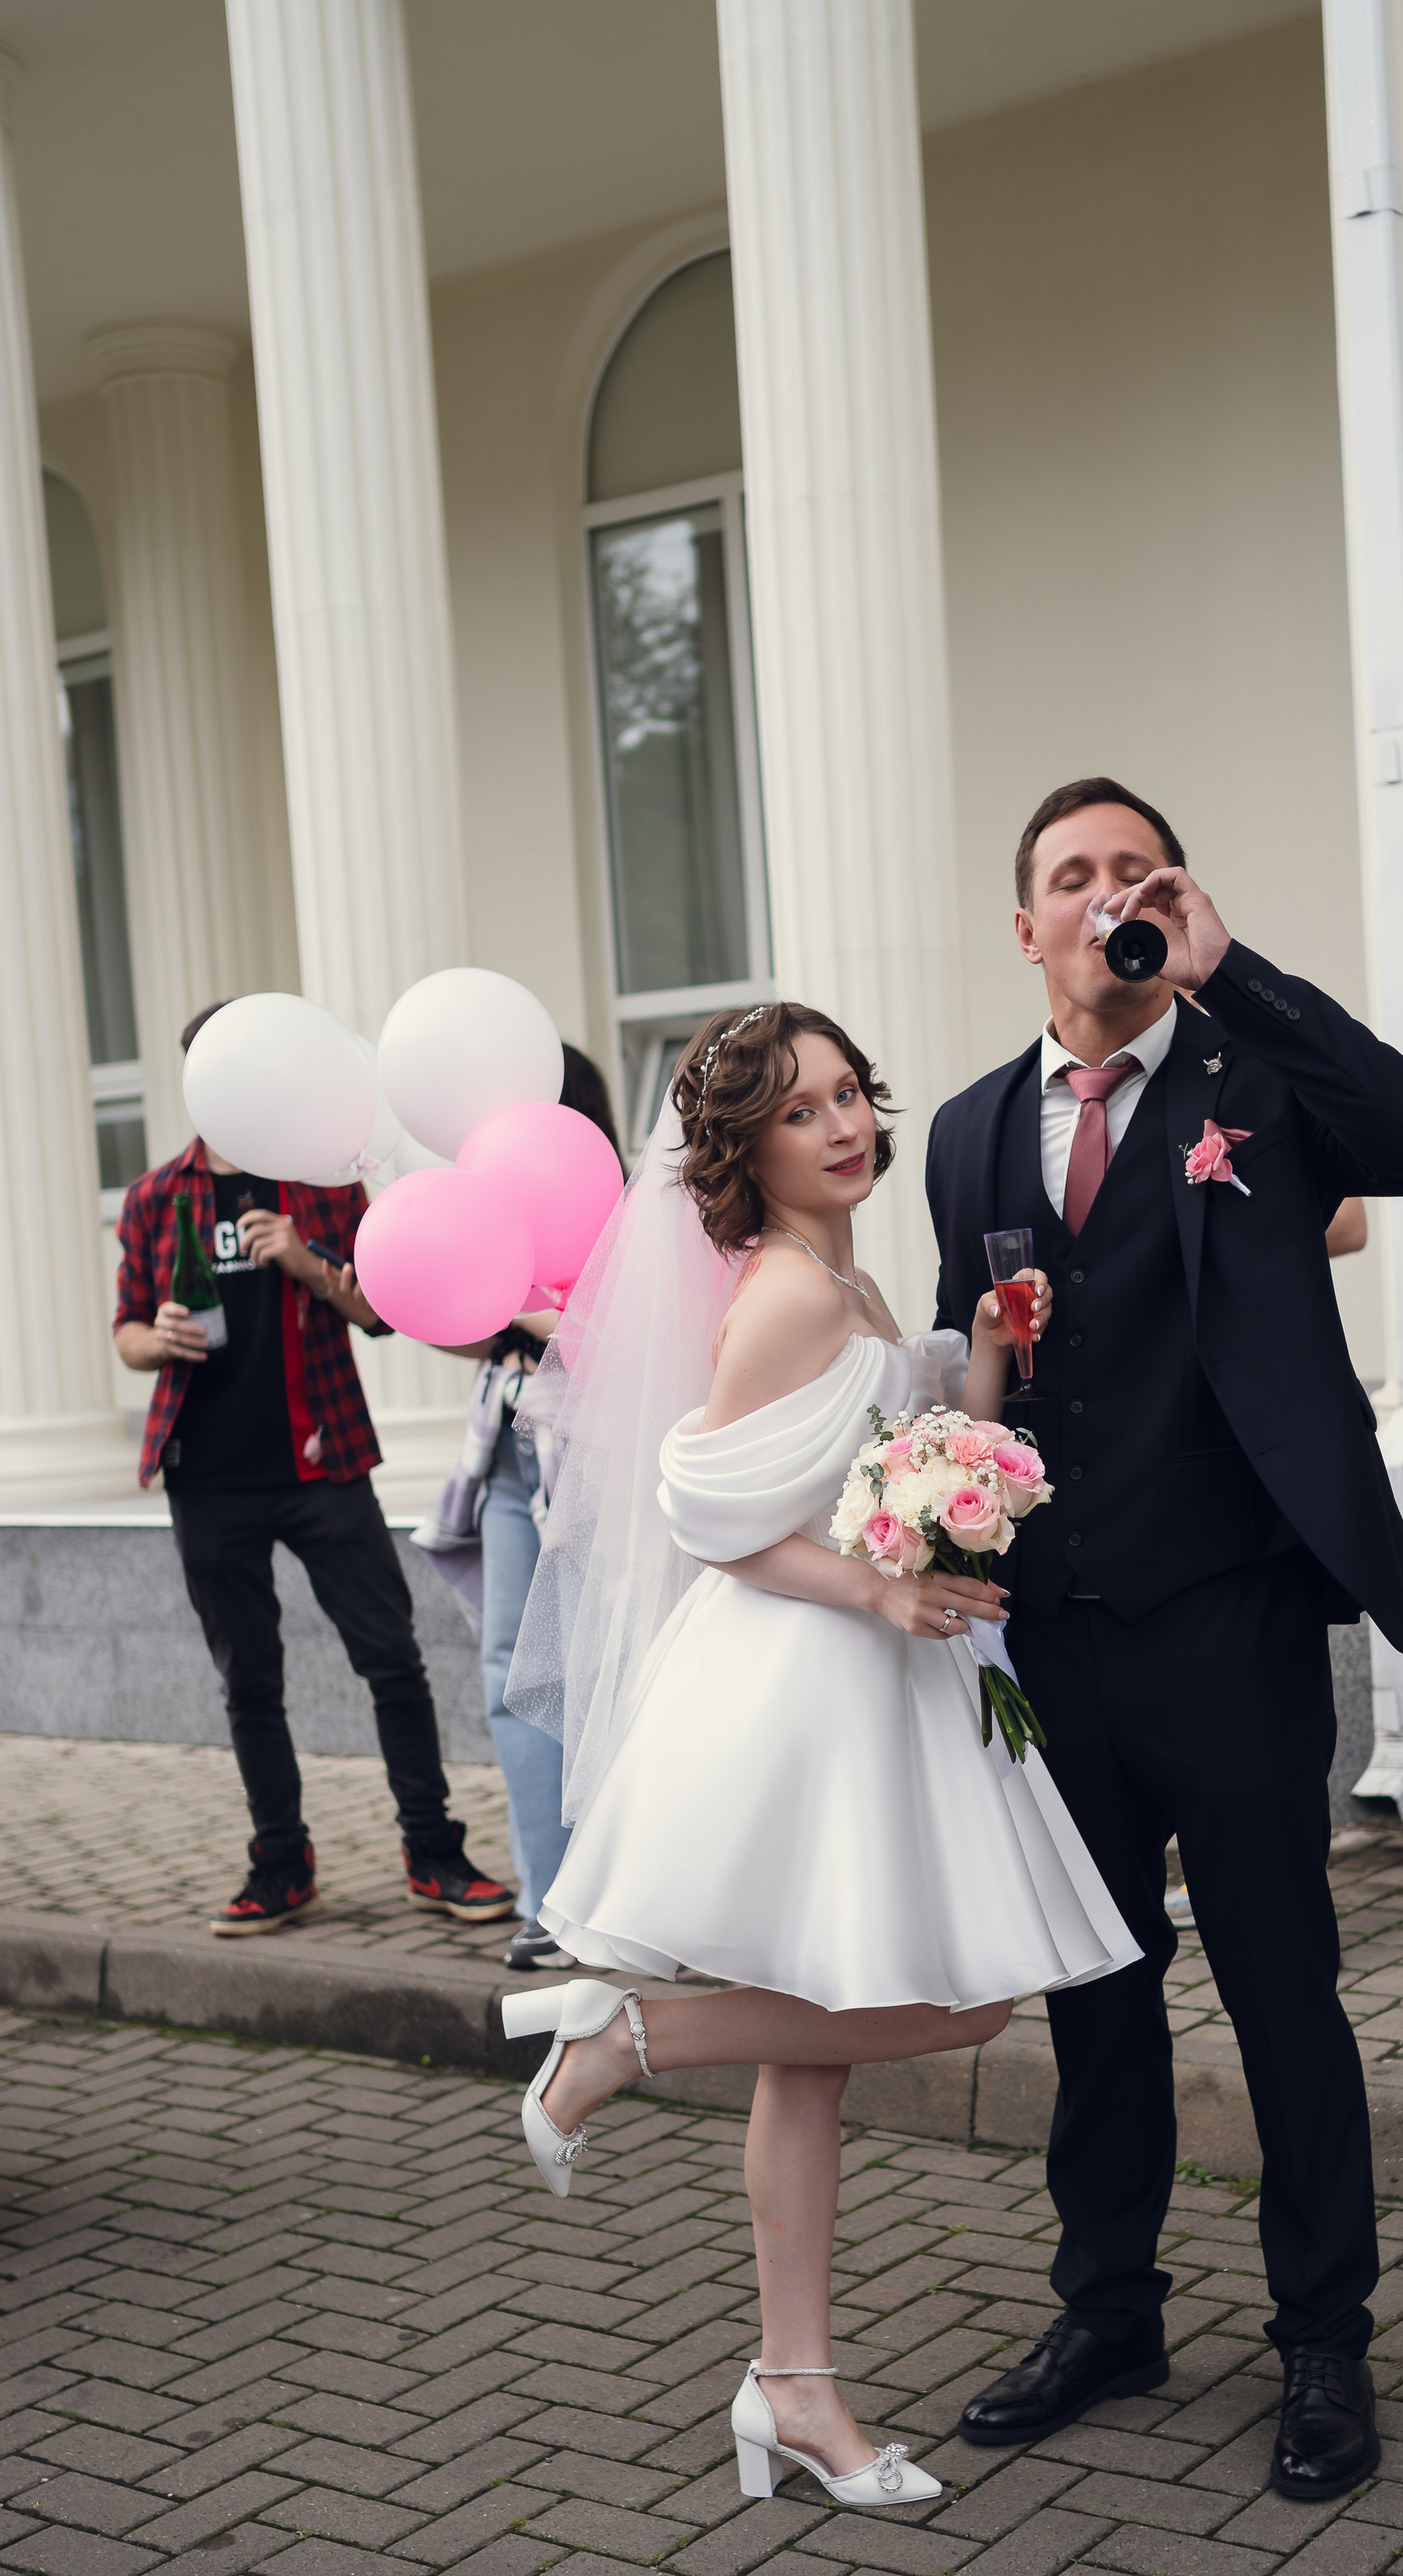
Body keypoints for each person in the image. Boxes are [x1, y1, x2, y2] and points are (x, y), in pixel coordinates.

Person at [495, 1001, 1139, 2511]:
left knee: (814, 2058)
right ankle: (623, 2045)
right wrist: (884, 1590)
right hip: (813, 1681)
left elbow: (902, 1477)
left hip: (881, 1677)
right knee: (964, 2008)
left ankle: (795, 2388)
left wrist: (976, 1369)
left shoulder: (842, 1278)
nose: (843, 1125)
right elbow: (706, 1515)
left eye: (851, 1094)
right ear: (743, 1147)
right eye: (801, 1112)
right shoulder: (785, 1293)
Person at [925, 778, 1403, 2501]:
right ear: (1023, 928)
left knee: (1279, 1991)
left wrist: (1237, 973)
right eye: (1068, 878)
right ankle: (1109, 2306)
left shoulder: (1257, 1081)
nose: (1103, 898)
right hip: (1052, 1639)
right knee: (1092, 1993)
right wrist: (942, 1557)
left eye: (1131, 872)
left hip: (1228, 1620)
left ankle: (1321, 2334)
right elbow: (975, 1374)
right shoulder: (963, 1127)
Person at [113, 1002, 516, 1938]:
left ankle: (433, 1849)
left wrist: (308, 1260)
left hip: (321, 1457)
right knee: (248, 1676)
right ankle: (281, 1862)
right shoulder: (153, 1197)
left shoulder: (319, 1186)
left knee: (391, 1657)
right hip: (204, 1471)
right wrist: (154, 1338)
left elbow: (382, 1307)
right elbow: (128, 1328)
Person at [416, 1044, 626, 1972]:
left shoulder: (618, 1204)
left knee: (597, 1670)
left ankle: (617, 1894)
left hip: (591, 1446)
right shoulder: (488, 1194)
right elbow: (479, 1325)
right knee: (514, 1665)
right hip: (507, 1441)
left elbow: (615, 1336)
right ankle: (546, 1901)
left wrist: (528, 1297)